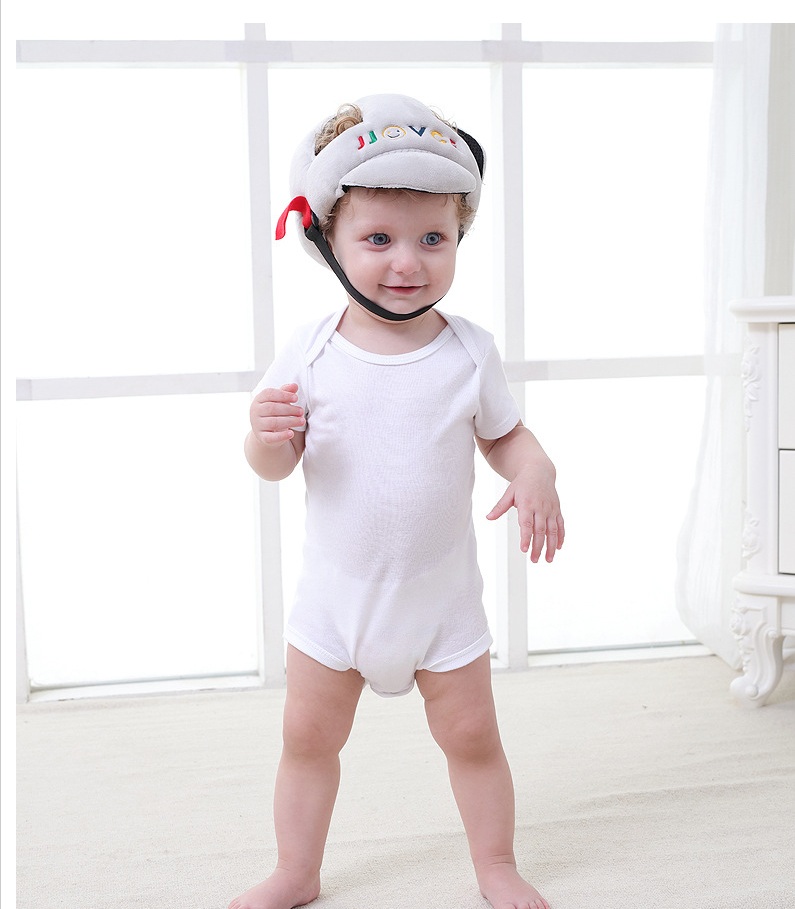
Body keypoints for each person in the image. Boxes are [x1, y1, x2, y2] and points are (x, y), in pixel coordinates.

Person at [231, 93, 564, 909]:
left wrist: (535, 470)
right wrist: (265, 435)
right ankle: (296, 869)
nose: (407, 262)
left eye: (432, 239)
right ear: (328, 240)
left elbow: (505, 437)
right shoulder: (311, 350)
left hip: (439, 603)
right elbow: (274, 466)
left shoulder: (468, 352)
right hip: (334, 604)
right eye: (378, 239)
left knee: (473, 737)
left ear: (457, 237)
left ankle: (495, 863)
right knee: (307, 738)